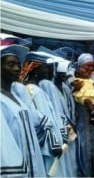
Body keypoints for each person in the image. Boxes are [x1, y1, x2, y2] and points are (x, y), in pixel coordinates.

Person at [20, 51, 71, 176]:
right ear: (35, 70)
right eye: (44, 68)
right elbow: (45, 121)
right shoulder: (34, 91)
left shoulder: (35, 89)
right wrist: (54, 145)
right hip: (46, 147)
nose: (48, 71)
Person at [0, 45, 46, 177]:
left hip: (31, 159)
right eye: (11, 64)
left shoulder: (17, 97)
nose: (17, 69)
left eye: (19, 64)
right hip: (14, 167)